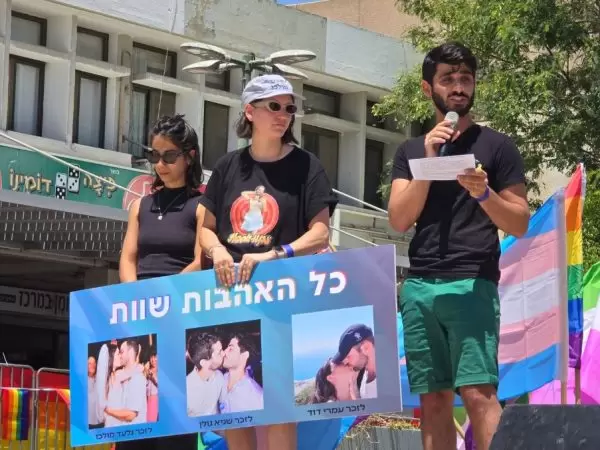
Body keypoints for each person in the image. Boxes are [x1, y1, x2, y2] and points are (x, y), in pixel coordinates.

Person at [388, 42, 530, 450]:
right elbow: (399, 219)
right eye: (447, 79)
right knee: (433, 399)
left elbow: (519, 222)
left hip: (472, 283)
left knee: (478, 393)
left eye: (466, 78)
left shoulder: (498, 147)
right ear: (427, 88)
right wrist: (429, 160)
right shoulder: (411, 150)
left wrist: (484, 194)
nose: (458, 87)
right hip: (420, 286)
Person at [198, 74, 338, 450]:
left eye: (289, 108)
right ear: (250, 111)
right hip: (231, 298)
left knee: (278, 408)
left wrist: (276, 254)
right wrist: (219, 251)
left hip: (282, 300)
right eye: (274, 106)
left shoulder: (307, 166)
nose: (283, 115)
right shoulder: (227, 167)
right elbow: (206, 229)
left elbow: (320, 233)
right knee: (235, 410)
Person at [118, 113, 205, 449]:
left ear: (189, 156)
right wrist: (136, 296)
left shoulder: (201, 207)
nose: (160, 164)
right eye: (155, 156)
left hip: (179, 312)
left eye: (169, 156)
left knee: (174, 419)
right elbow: (128, 258)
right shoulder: (140, 206)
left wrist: (166, 297)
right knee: (133, 416)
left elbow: (200, 261)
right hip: (141, 314)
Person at [332, 324, 377, 399]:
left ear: (366, 348)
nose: (345, 362)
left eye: (348, 356)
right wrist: (353, 386)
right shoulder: (365, 375)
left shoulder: (391, 378)